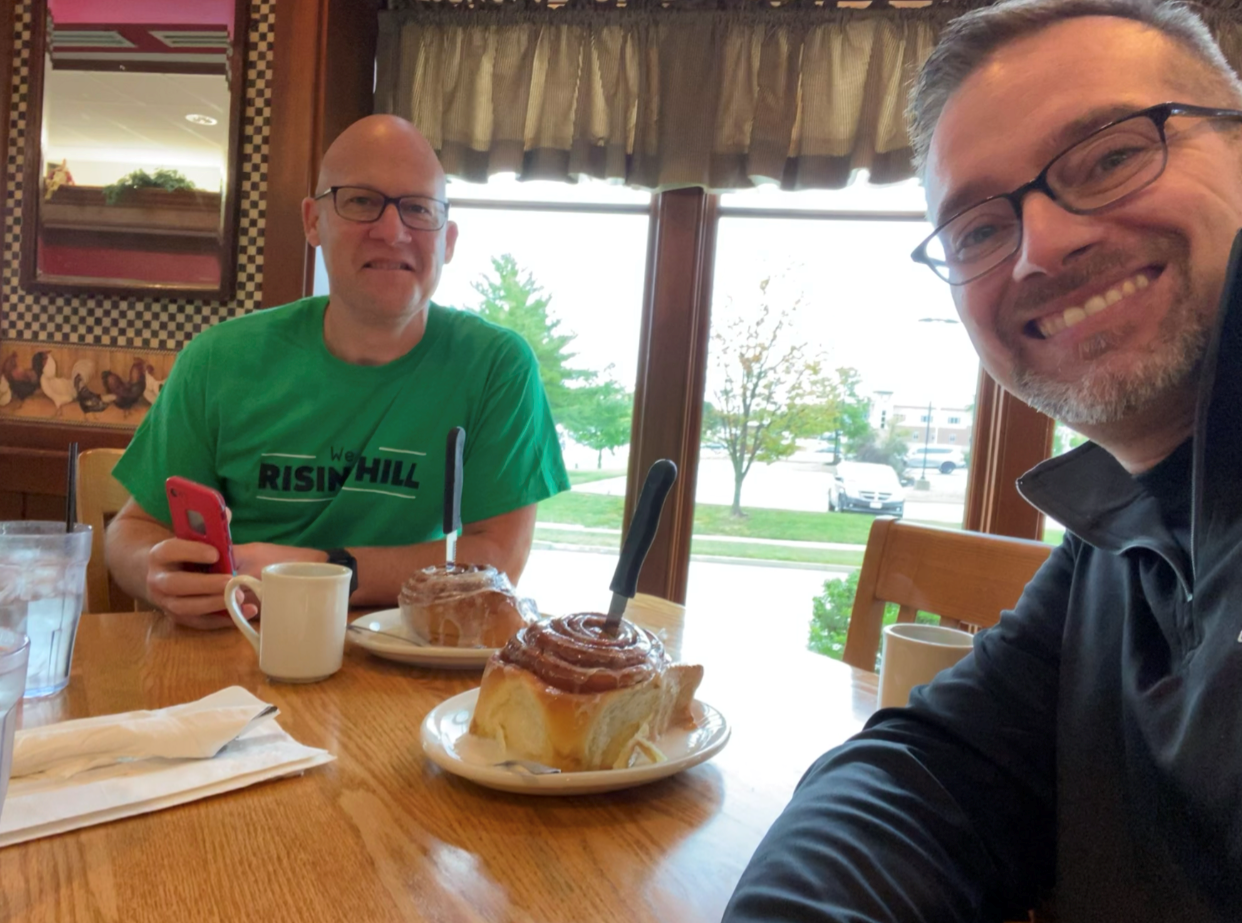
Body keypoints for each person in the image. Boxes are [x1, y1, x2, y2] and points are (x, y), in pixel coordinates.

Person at [723, 1, 1242, 920]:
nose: (1043, 248)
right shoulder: (1121, 537)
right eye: (977, 230)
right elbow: (936, 769)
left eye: (1111, 157)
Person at [106, 115, 570, 630]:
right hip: (236, 646)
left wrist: (323, 570)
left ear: (449, 240)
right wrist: (155, 571)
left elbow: (499, 561)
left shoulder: (496, 366)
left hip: (410, 656)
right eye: (361, 201)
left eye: (418, 209)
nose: (392, 232)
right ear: (313, 222)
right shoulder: (219, 359)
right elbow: (132, 530)